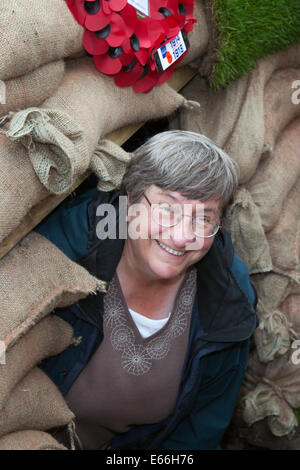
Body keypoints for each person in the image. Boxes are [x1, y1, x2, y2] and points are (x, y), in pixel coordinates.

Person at [36, 130, 258, 450]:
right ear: (130, 201)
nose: (182, 236)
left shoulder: (227, 297)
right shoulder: (69, 247)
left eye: (203, 219)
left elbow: (200, 431)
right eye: (168, 209)